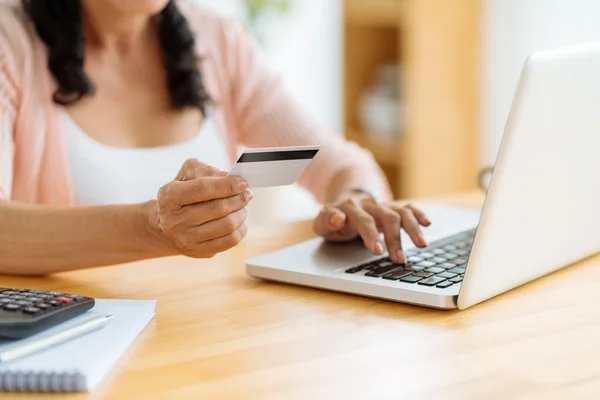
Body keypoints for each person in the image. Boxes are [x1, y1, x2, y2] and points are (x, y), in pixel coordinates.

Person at [0, 0, 431, 276]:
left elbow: (341, 164)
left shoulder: (217, 40)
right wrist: (154, 227)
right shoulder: (10, 42)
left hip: (210, 331)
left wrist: (355, 200)